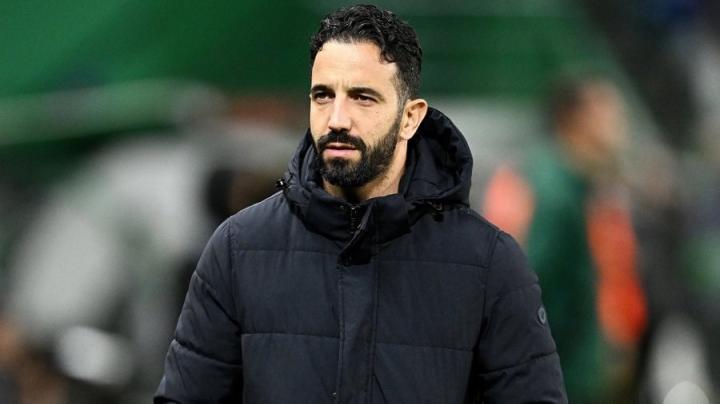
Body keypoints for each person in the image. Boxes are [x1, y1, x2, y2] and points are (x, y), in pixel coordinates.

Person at [155, 5, 566, 403]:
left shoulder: (489, 262)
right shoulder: (237, 249)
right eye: (323, 95)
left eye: (362, 97)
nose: (337, 119)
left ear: (410, 117)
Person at [482, 76, 648, 403]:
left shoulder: (576, 184)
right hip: (561, 379)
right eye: (610, 113)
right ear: (577, 119)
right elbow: (532, 287)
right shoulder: (555, 193)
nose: (621, 124)